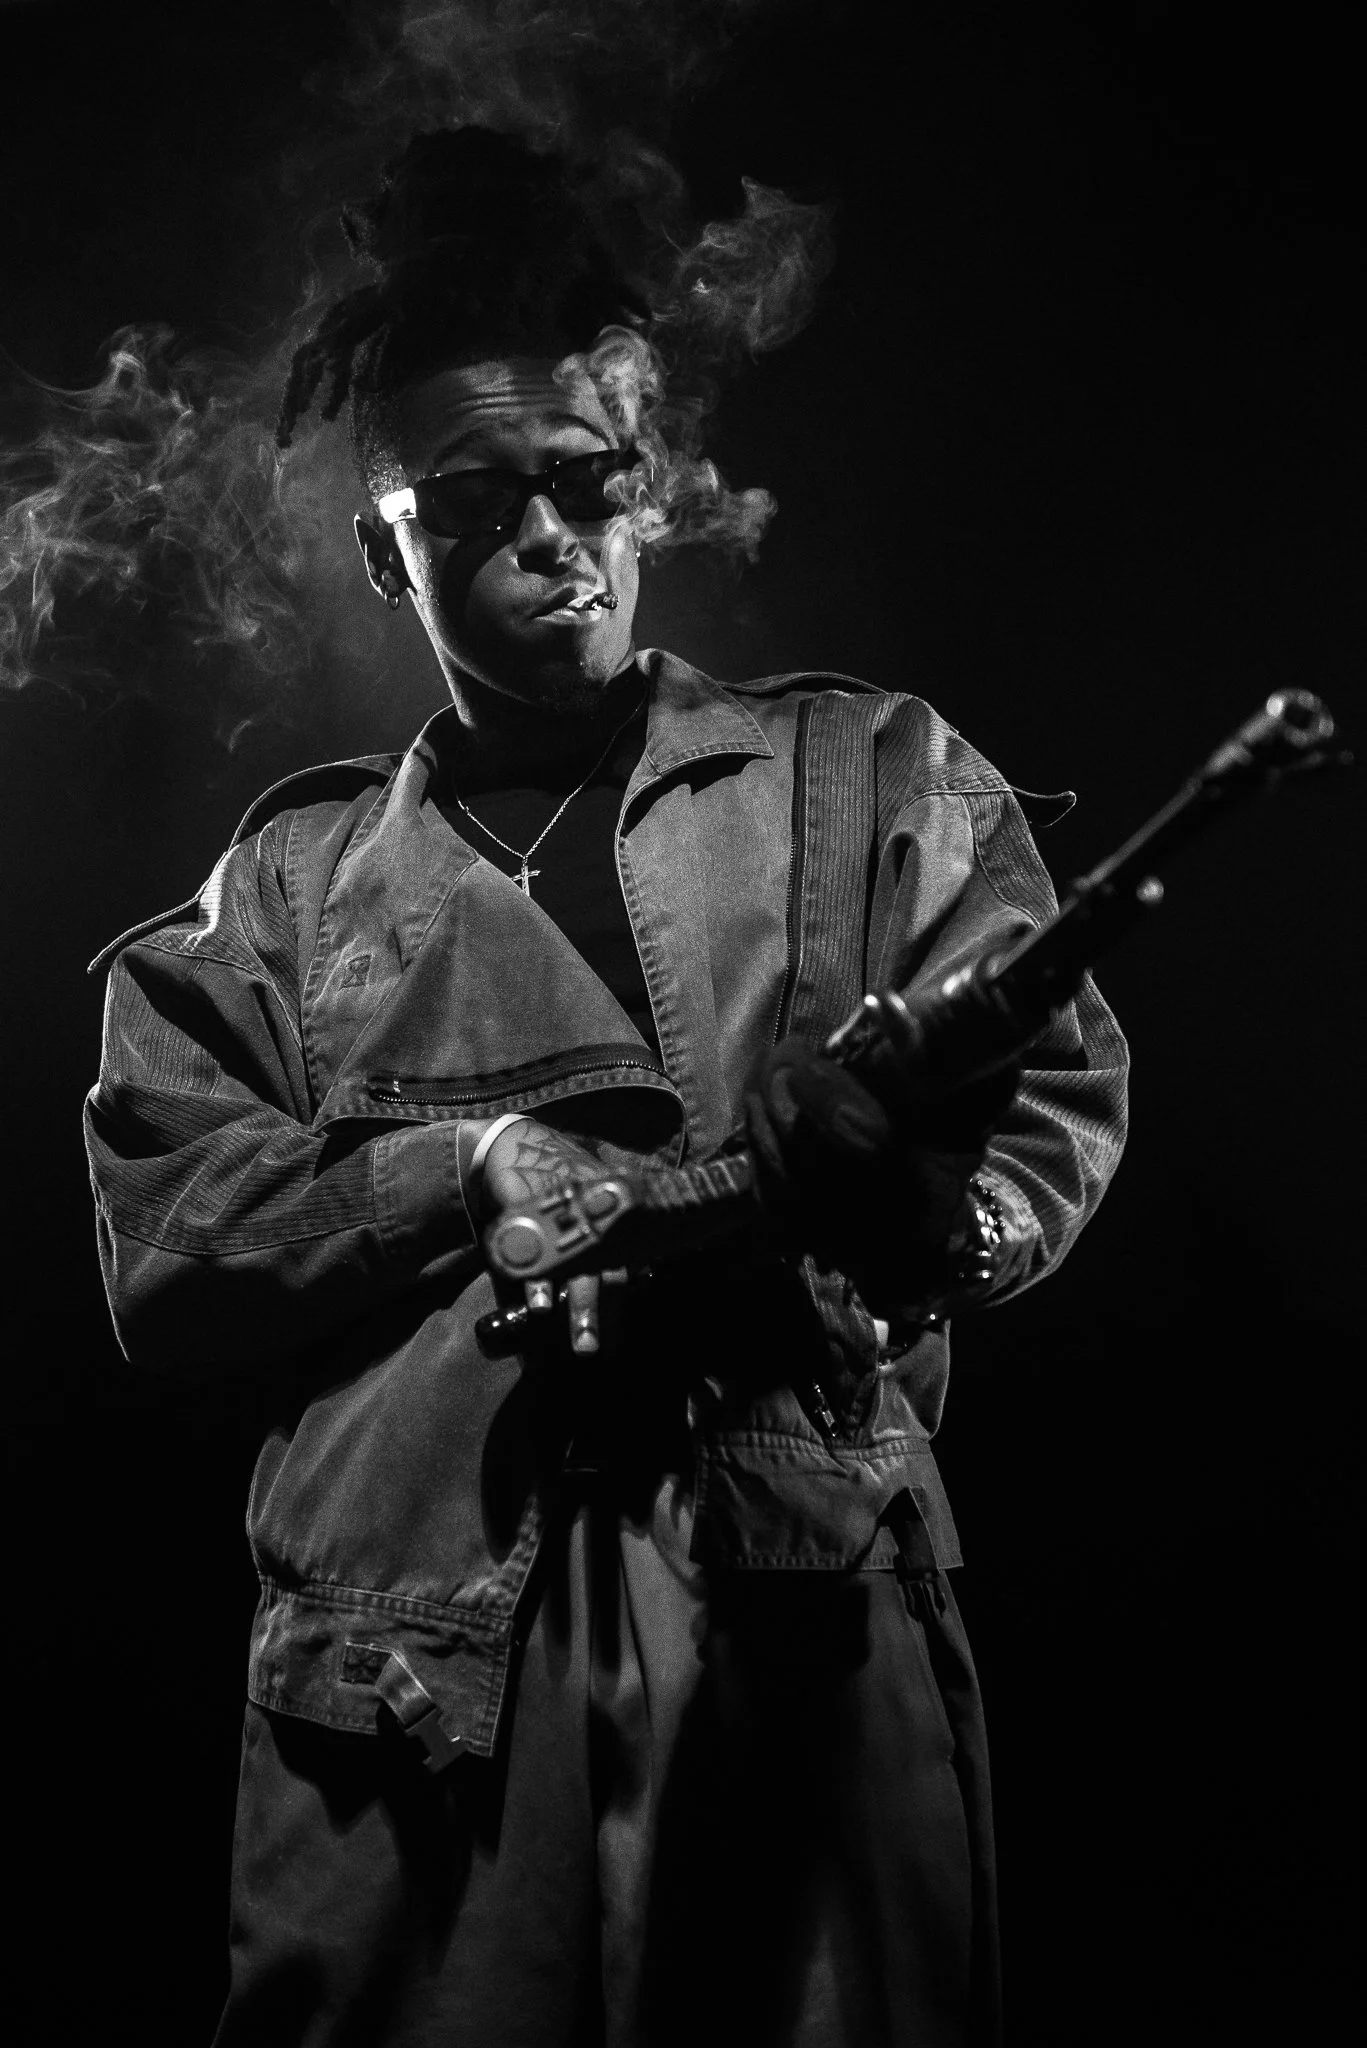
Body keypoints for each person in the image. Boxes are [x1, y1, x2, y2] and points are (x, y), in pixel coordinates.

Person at [85, 130, 1128, 2047]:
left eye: (586, 480)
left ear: (650, 493)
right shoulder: (281, 894)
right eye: (473, 499)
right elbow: (171, 1255)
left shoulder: (867, 780)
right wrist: (453, 1170)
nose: (547, 536)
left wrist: (920, 1222)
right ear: (379, 543)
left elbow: (1037, 1127)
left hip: (795, 1609)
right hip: (404, 1684)